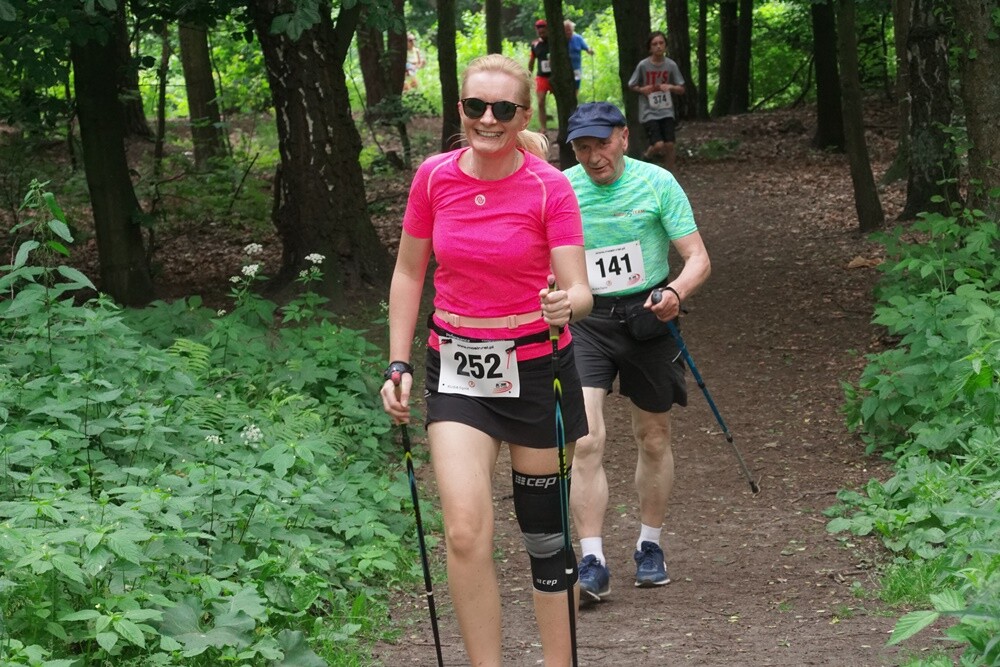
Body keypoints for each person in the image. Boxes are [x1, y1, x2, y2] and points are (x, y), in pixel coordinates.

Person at [380, 53, 593, 665]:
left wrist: (565, 304)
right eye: (477, 106)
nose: (489, 119)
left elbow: (580, 290)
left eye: (503, 109)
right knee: (466, 531)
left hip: (537, 370)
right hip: (459, 370)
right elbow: (408, 271)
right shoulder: (434, 177)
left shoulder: (549, 186)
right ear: (461, 110)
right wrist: (398, 364)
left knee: (544, 539)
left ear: (523, 114)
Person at [563, 102, 711, 605]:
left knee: (653, 436)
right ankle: (591, 558)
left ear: (623, 137)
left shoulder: (657, 184)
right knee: (584, 438)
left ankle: (650, 546)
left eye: (600, 143)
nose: (592, 156)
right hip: (587, 321)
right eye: (582, 147)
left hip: (649, 313)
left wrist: (676, 294)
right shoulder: (563, 188)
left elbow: (697, 258)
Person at [628, 31, 685, 172]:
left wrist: (670, 87)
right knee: (659, 145)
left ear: (665, 46)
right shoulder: (643, 65)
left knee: (670, 145)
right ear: (650, 48)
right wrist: (643, 89)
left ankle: (671, 174)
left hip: (666, 110)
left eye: (661, 43)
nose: (658, 47)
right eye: (655, 44)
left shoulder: (671, 65)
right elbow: (631, 84)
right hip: (649, 111)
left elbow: (681, 88)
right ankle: (646, 156)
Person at [527, 19, 552, 133]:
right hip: (542, 76)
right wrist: (529, 74)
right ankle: (543, 128)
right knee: (541, 101)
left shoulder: (555, 42)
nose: (541, 33)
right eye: (539, 31)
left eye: (543, 31)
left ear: (547, 29)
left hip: (556, 76)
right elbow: (532, 60)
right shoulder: (535, 44)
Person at [564, 20, 594, 99]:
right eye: (566, 30)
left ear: (573, 30)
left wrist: (590, 51)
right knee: (566, 88)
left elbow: (586, 48)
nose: (568, 32)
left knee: (576, 88)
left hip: (576, 69)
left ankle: (574, 103)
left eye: (569, 30)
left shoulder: (578, 38)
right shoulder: (560, 40)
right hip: (564, 70)